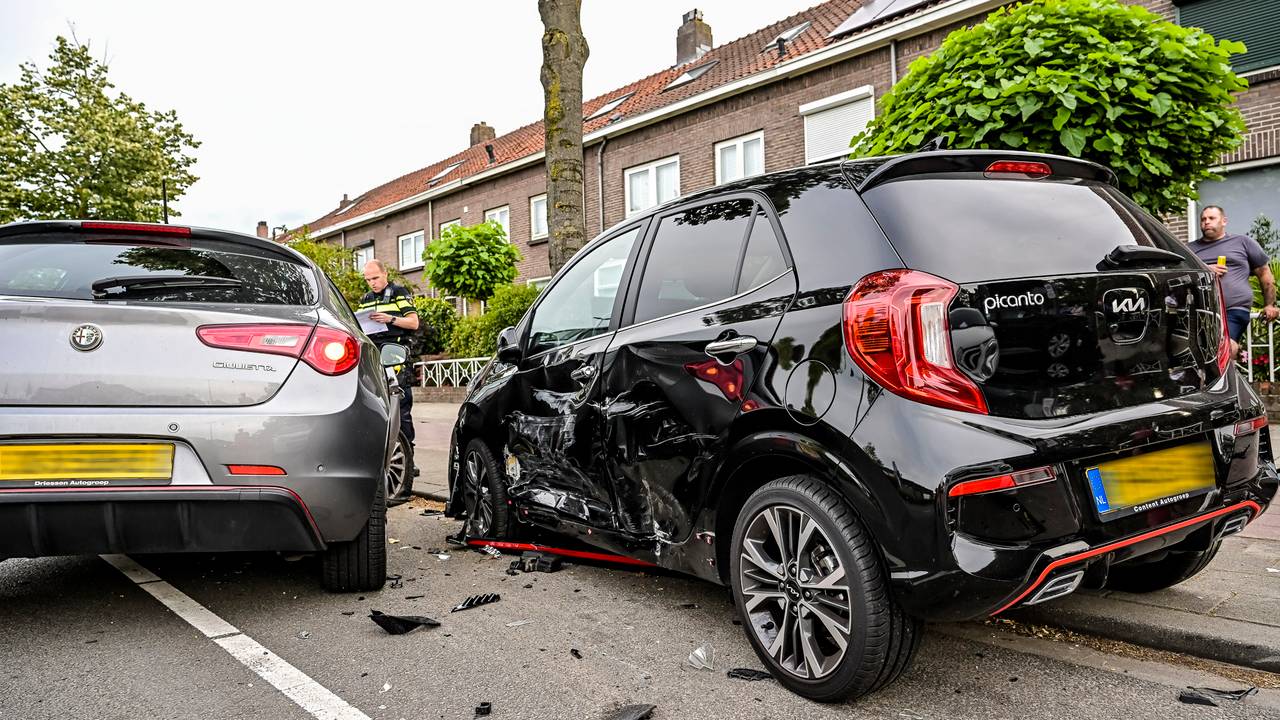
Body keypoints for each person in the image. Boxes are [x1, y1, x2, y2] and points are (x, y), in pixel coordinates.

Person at [1188, 205, 1278, 358]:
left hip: (1234, 308)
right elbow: (1179, 276)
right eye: (1203, 219)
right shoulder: (1190, 249)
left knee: (1226, 345)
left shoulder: (1242, 242)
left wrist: (1270, 304)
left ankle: (1226, 372)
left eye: (1211, 218)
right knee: (1198, 352)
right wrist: (1204, 270)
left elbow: (1264, 274)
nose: (1206, 222)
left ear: (1224, 221)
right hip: (1199, 310)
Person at [358, 260, 420, 458]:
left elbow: (414, 323)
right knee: (377, 407)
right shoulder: (366, 299)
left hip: (395, 354)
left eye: (375, 278)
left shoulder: (398, 292)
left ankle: (408, 459)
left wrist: (390, 318)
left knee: (400, 406)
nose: (372, 283)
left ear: (385, 274)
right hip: (374, 356)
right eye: (368, 280)